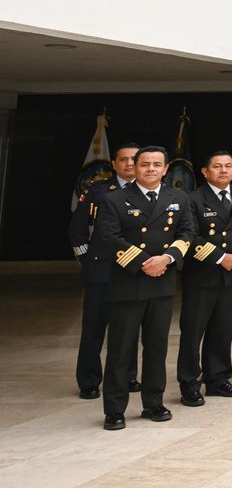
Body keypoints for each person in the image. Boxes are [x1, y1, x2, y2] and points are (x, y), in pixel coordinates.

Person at [94, 146, 194, 430]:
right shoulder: (114, 199)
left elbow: (187, 233)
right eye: (145, 164)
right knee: (120, 350)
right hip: (127, 284)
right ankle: (114, 410)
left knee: (156, 348)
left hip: (162, 283)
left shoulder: (178, 198)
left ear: (166, 169)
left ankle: (153, 403)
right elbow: (108, 237)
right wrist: (143, 263)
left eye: (157, 165)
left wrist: (167, 258)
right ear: (135, 168)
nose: (151, 169)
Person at [177, 150, 232, 406]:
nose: (223, 170)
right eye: (217, 166)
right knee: (193, 332)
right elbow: (189, 236)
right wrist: (219, 257)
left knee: (223, 330)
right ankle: (189, 384)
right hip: (202, 276)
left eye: (228, 166)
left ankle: (218, 379)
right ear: (205, 172)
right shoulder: (192, 198)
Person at [68, 141, 138, 400]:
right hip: (101, 269)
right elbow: (77, 230)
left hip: (133, 271)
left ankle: (128, 376)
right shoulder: (97, 191)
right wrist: (87, 260)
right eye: (124, 159)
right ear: (114, 164)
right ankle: (89, 380)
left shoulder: (149, 192)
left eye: (134, 159)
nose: (129, 164)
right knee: (94, 328)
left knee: (129, 328)